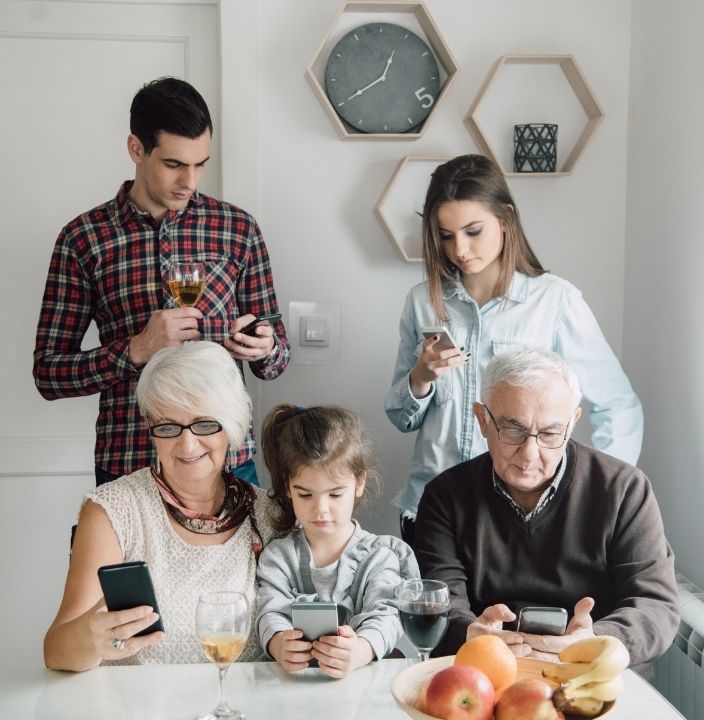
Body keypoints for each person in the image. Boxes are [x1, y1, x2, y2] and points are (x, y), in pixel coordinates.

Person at [33, 76, 289, 487]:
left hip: (227, 458)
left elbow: (277, 359)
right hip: (130, 463)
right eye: (174, 164)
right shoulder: (83, 238)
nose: (190, 181)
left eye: (200, 164)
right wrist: (135, 349)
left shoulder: (238, 229)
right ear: (136, 148)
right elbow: (48, 373)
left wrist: (265, 347)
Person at [385, 154, 643, 544]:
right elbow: (401, 417)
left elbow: (618, 405)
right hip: (432, 507)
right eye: (446, 235)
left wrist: (599, 495)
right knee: (435, 608)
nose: (460, 249)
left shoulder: (554, 302)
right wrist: (421, 377)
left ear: (504, 221)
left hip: (522, 515)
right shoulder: (422, 302)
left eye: (474, 231)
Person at [413, 348, 678, 677]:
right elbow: (440, 602)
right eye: (513, 430)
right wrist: (470, 633)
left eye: (550, 434)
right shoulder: (445, 496)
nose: (529, 454)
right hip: (486, 672)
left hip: (595, 674)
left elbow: (656, 606)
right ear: (483, 419)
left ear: (572, 424)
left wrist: (595, 639)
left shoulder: (624, 489)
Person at [44, 341, 274, 670]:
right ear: (151, 429)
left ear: (232, 425)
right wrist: (87, 638)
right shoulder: (113, 510)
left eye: (205, 424)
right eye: (168, 427)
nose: (187, 444)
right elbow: (56, 650)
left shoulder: (268, 514)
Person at [255, 404, 419, 679]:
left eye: (335, 495)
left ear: (359, 484)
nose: (320, 509)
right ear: (288, 488)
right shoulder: (278, 556)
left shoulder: (380, 556)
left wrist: (362, 650)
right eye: (305, 495)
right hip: (290, 690)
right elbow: (269, 609)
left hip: (361, 689)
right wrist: (277, 641)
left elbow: (386, 616)